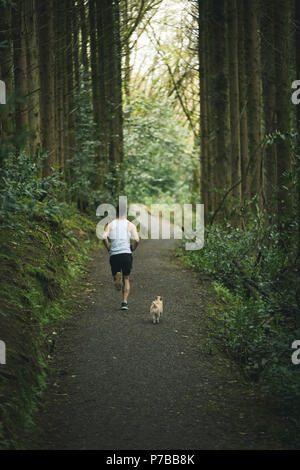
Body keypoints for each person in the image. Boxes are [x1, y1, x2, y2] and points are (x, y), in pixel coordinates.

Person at [102, 204, 139, 310]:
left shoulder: (111, 224)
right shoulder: (130, 225)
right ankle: (124, 302)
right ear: (126, 212)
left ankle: (116, 277)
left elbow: (104, 237)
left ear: (116, 212)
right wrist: (132, 248)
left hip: (114, 254)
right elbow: (137, 240)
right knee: (126, 278)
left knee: (116, 274)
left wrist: (108, 248)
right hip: (126, 254)